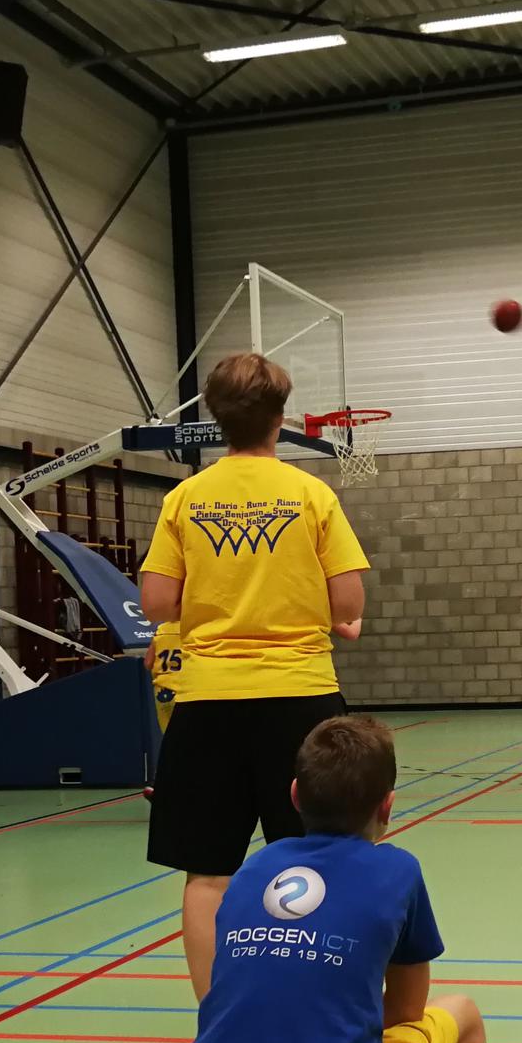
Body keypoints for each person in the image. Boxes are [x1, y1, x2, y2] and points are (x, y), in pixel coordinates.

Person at [137, 352, 369, 1000]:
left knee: (207, 875)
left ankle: (219, 1022)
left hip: (209, 703)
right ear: (280, 417)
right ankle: (312, 1010)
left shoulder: (185, 498)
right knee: (321, 864)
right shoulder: (312, 495)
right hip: (302, 701)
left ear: (216, 418)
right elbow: (348, 604)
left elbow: (156, 602)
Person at [177, 716, 494, 1043]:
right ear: (387, 806)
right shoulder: (399, 869)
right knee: (463, 1013)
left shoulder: (255, 866)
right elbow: (405, 1010)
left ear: (294, 795)